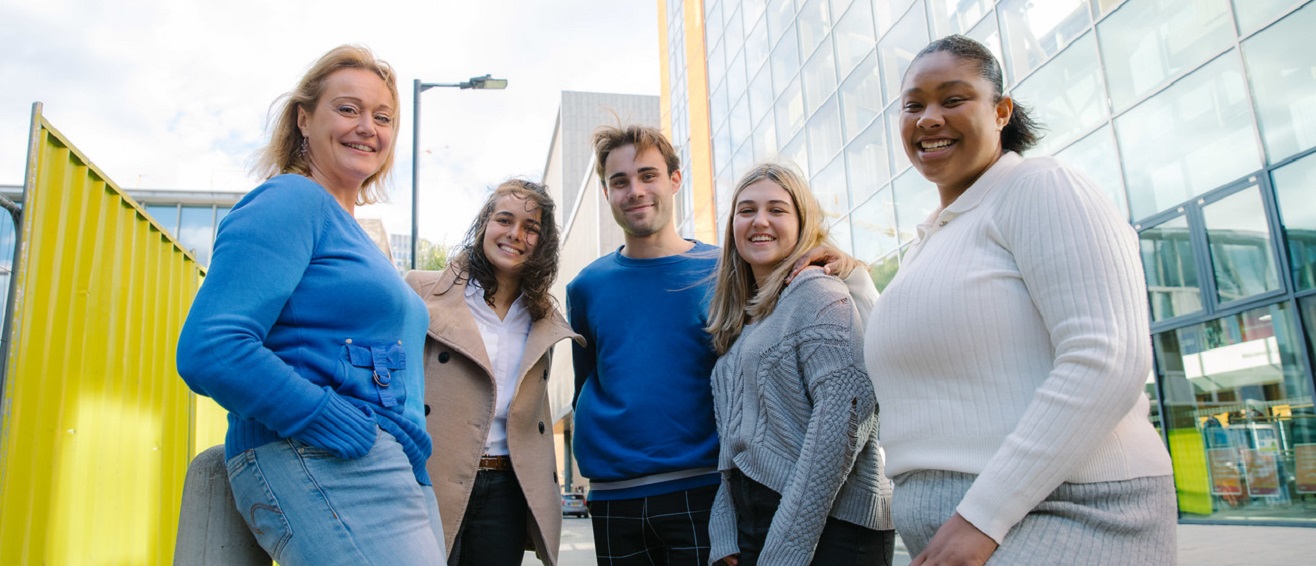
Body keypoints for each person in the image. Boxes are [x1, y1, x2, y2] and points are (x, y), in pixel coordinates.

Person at [864, 35, 1176, 565]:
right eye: (913, 105)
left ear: (1001, 110)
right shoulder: (935, 239)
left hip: (1068, 513)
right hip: (970, 527)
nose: (929, 118)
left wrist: (982, 516)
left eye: (953, 99)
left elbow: (1108, 357)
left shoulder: (1040, 186)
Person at [175, 45, 444, 564]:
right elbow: (211, 347)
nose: (368, 126)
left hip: (389, 468)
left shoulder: (358, 236)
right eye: (348, 109)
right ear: (304, 118)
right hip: (326, 456)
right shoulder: (291, 201)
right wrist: (332, 423)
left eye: (382, 116)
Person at [566, 124, 877, 565]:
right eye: (620, 181)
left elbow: (793, 327)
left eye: (648, 175)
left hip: (704, 489)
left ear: (675, 180)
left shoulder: (729, 270)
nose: (635, 190)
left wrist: (847, 268)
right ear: (606, 191)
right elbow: (587, 382)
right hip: (614, 495)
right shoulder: (586, 287)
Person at [705, 163, 895, 566]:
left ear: (801, 222)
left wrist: (787, 546)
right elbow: (733, 438)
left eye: (777, 209)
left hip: (831, 526)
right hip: (759, 522)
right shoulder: (743, 320)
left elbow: (843, 421)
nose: (760, 221)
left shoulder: (817, 292)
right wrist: (724, 527)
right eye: (746, 210)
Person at [405, 179, 582, 566]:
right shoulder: (421, 290)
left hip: (506, 489)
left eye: (531, 228)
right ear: (485, 223)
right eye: (505, 219)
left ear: (543, 242)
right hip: (430, 476)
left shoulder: (541, 318)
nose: (515, 235)